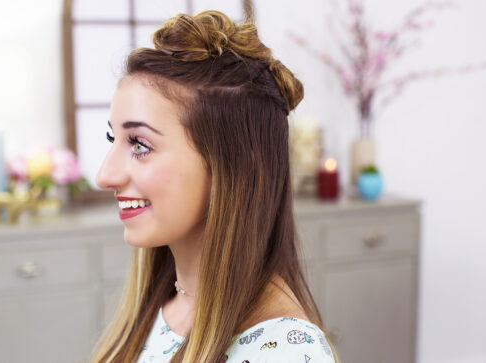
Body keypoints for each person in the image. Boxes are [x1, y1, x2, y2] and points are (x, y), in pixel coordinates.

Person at [92, 9, 339, 363]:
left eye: (140, 145)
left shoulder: (284, 351)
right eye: (112, 137)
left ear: (233, 165)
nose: (105, 175)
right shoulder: (159, 311)